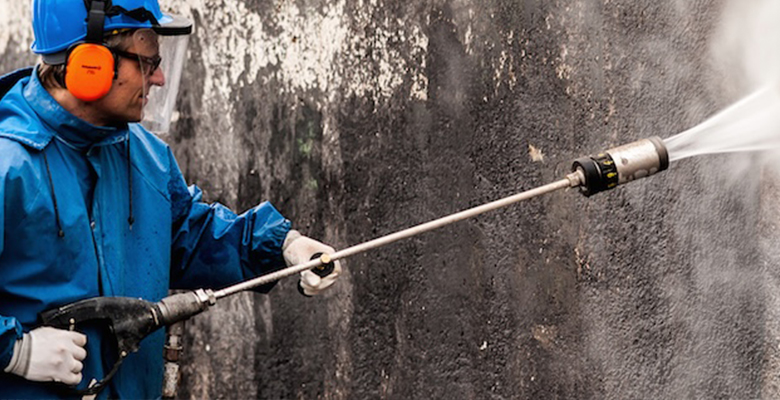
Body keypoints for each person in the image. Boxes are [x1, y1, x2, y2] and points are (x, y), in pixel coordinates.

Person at [0, 0, 341, 398]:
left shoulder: (145, 155)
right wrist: (15, 352)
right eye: (147, 63)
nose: (159, 78)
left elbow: (184, 235)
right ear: (89, 64)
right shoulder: (10, 164)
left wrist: (285, 245)